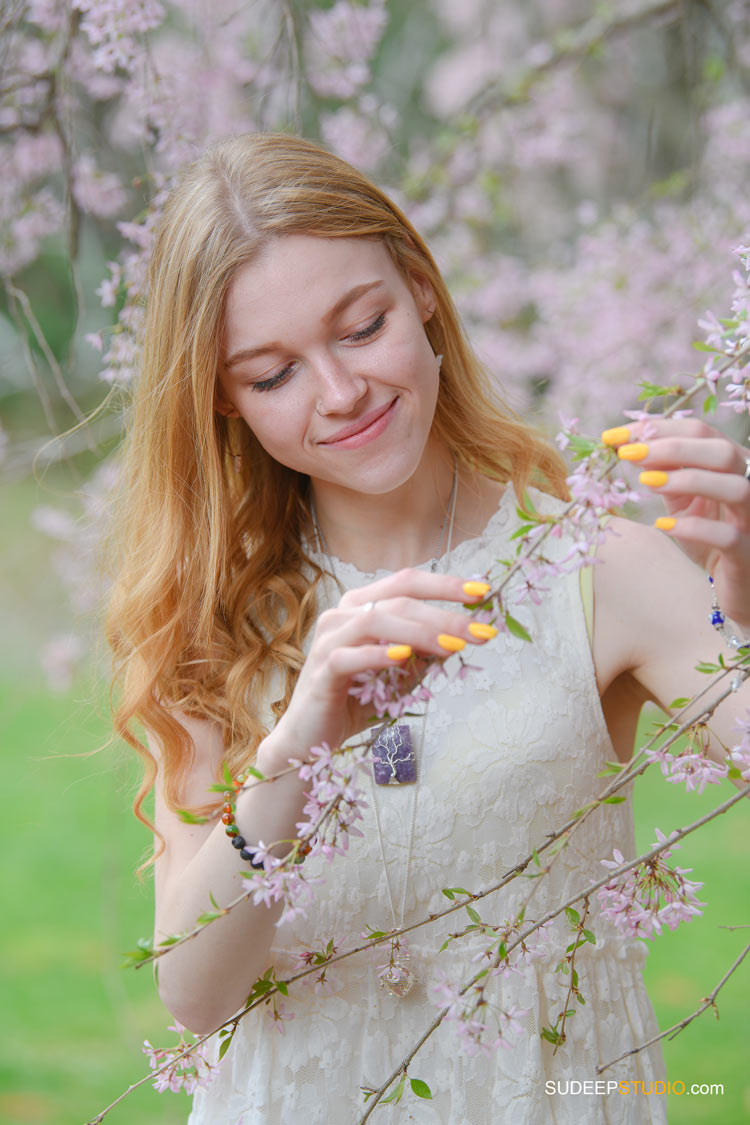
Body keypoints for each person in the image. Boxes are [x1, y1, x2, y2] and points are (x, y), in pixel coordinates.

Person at [106, 133, 750, 1124]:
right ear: (225, 403)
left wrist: (742, 581)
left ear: (422, 293)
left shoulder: (594, 567)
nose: (341, 392)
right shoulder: (215, 620)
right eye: (272, 375)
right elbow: (196, 996)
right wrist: (298, 745)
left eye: (361, 327)